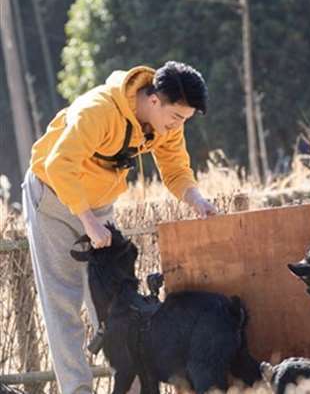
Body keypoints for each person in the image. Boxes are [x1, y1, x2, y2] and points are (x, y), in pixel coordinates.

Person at [21, 61, 216, 394]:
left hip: (98, 204)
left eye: (183, 121)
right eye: (176, 118)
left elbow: (174, 168)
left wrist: (196, 200)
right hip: (53, 197)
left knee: (114, 302)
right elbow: (58, 163)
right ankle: (77, 389)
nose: (176, 127)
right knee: (63, 303)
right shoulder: (97, 110)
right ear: (154, 100)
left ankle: (131, 388)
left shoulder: (164, 124)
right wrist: (87, 221)